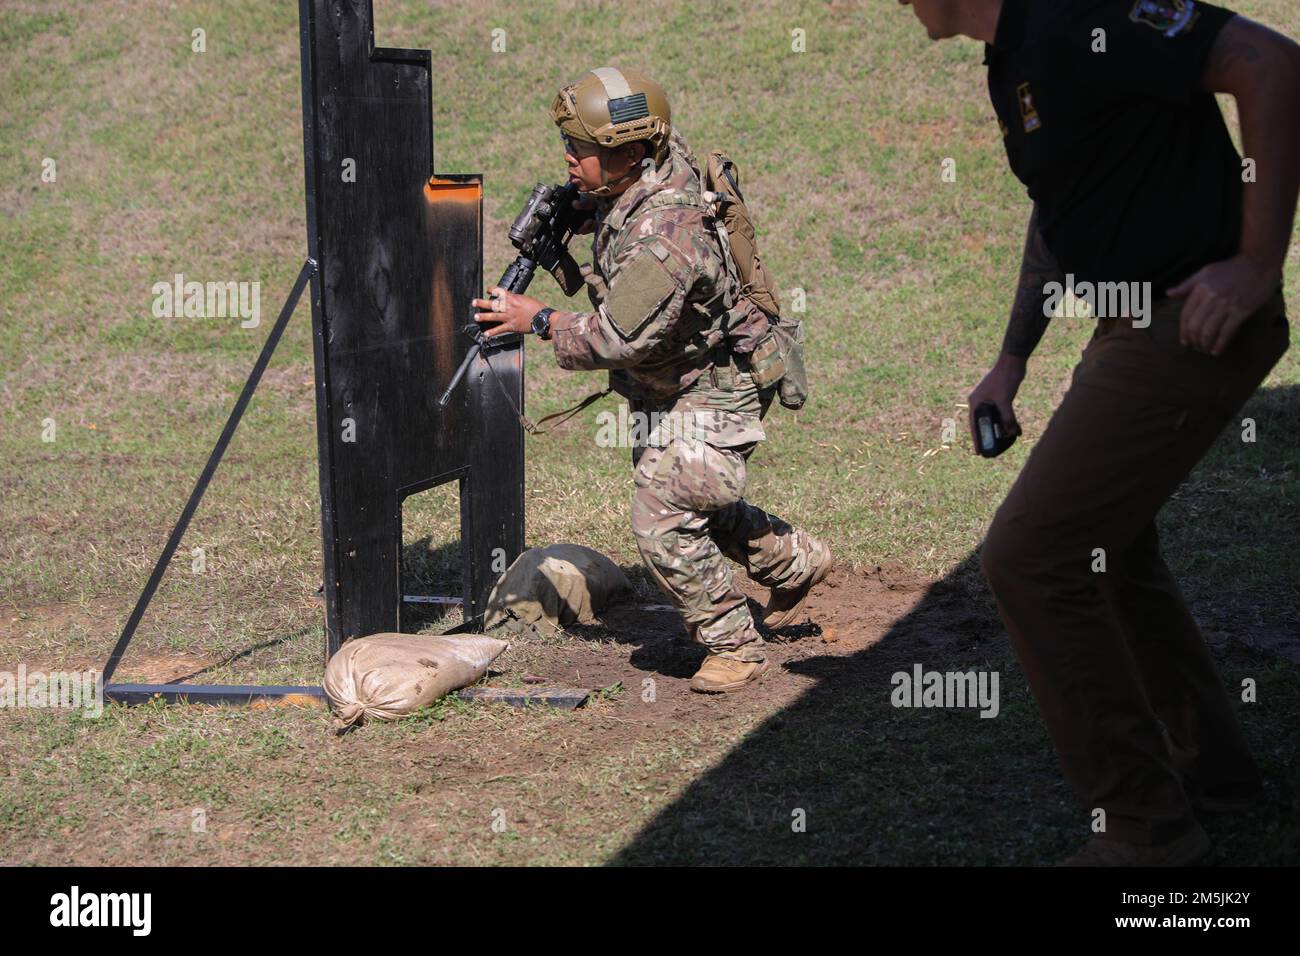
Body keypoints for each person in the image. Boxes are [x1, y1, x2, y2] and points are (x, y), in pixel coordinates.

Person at [900, 0, 1300, 864]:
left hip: (1191, 322)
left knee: (1030, 557)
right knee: (1102, 551)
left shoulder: (1078, 11)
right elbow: (1063, 204)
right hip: (1130, 324)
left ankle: (1147, 833)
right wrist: (1012, 360)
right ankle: (1216, 775)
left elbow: (1272, 64)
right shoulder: (1015, 56)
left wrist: (1258, 264)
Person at [471, 67, 833, 693]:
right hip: (680, 378)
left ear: (631, 154)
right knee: (699, 502)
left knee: (663, 510)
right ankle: (794, 561)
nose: (568, 157)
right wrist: (581, 212)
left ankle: (734, 645)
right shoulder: (649, 174)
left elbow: (617, 337)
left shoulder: (667, 233)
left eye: (581, 151)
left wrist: (538, 319)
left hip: (721, 381)